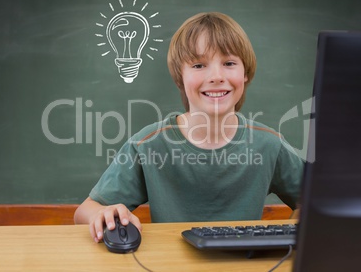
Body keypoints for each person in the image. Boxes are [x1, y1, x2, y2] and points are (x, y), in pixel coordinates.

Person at [74, 12, 304, 243]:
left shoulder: (270, 144)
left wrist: (287, 234)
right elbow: (85, 210)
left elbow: (313, 202)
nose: (216, 76)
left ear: (245, 74)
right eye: (198, 65)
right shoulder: (148, 144)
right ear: (179, 77)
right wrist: (102, 214)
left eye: (229, 63)